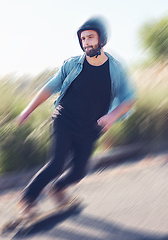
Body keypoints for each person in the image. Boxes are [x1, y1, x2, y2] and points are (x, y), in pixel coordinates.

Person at [16, 16, 136, 214]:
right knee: (56, 164)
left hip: (91, 127)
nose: (86, 42)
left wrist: (112, 117)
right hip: (65, 119)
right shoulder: (72, 65)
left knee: (79, 172)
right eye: (82, 39)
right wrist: (28, 110)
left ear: (102, 39)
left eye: (90, 37)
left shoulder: (115, 69)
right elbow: (49, 87)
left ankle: (58, 189)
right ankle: (27, 200)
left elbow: (129, 98)